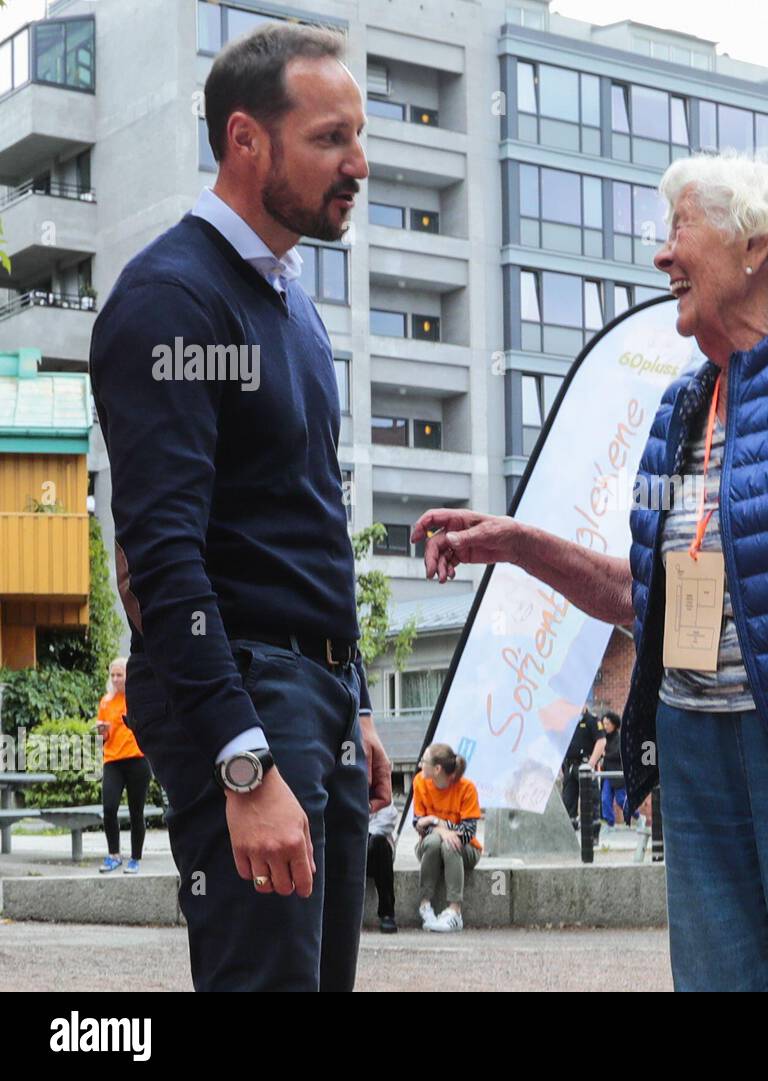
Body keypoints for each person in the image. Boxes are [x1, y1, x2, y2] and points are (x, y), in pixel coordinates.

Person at [411, 151, 768, 991]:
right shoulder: (686, 402)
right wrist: (516, 542)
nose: (662, 255)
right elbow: (648, 600)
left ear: (757, 245)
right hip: (699, 747)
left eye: (680, 228)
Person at [89, 23, 391, 991]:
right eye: (331, 138)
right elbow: (160, 549)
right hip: (247, 699)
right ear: (244, 140)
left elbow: (310, 522)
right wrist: (242, 761)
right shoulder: (174, 299)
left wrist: (359, 700)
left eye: (359, 136)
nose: (359, 164)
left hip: (318, 701)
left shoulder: (292, 307)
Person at [414, 743, 483, 933]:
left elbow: (468, 832)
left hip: (466, 850)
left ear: (437, 769)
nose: (420, 764)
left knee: (450, 843)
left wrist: (434, 822)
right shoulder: (420, 782)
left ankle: (455, 912)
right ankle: (425, 905)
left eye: (424, 761)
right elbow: (417, 824)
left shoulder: (466, 788)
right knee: (437, 841)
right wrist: (441, 829)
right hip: (430, 848)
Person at [96, 657, 152, 874]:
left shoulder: (136, 698)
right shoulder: (105, 702)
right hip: (112, 761)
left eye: (120, 674)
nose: (116, 678)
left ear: (128, 676)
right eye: (113, 675)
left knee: (136, 811)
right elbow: (103, 737)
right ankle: (113, 855)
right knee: (109, 808)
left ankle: (135, 858)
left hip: (137, 759)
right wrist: (102, 732)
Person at [591, 712, 637, 828]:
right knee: (605, 799)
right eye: (604, 724)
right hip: (607, 774)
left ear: (614, 724)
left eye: (608, 724)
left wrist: (605, 754)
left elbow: (619, 753)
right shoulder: (602, 738)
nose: (605, 726)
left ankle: (638, 816)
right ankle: (610, 823)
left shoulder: (620, 737)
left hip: (618, 774)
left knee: (621, 800)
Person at [560, 708, 600, 824]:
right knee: (568, 802)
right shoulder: (567, 722)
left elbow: (601, 741)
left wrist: (590, 764)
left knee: (590, 799)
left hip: (584, 764)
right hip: (569, 765)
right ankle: (570, 831)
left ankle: (593, 835)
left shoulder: (591, 720)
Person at [366, 801, 400, 934]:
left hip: (376, 853)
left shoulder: (379, 788)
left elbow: (388, 818)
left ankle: (387, 914)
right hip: (352, 848)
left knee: (378, 842)